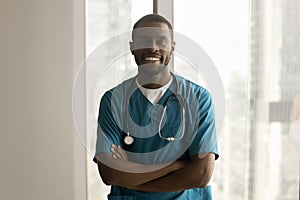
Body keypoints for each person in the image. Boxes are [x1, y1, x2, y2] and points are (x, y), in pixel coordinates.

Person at [94, 14, 219, 200]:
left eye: (161, 41)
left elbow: (201, 174)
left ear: (172, 47)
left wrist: (132, 178)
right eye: (144, 40)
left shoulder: (199, 98)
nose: (152, 47)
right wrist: (174, 166)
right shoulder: (113, 100)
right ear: (132, 47)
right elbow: (110, 174)